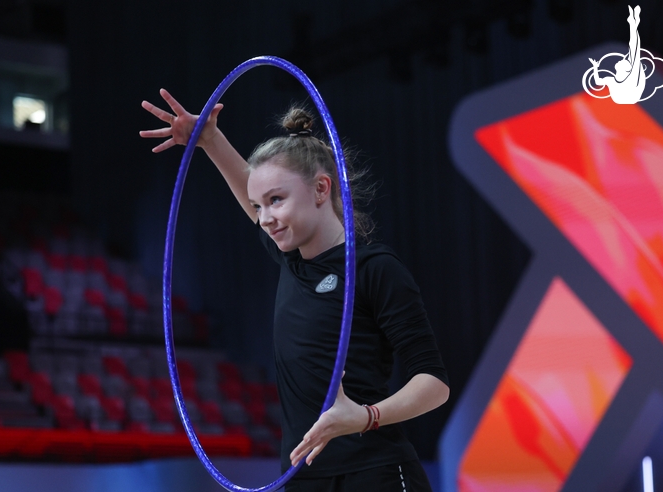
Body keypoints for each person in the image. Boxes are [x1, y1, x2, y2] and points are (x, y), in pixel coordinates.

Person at [140, 89, 450, 491]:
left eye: (276, 200)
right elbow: (248, 190)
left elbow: (435, 384)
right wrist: (210, 140)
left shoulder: (375, 270)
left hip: (376, 472)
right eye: (258, 207)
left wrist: (364, 416)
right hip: (304, 477)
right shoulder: (294, 262)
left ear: (321, 190)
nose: (265, 219)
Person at [589, 5, 645, 104]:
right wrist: (595, 67)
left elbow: (634, 48)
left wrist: (633, 26)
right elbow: (598, 81)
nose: (622, 59)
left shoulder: (631, 79)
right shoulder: (612, 80)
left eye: (623, 61)